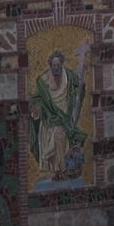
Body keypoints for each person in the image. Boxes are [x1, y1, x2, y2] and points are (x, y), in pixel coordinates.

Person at [29, 43, 88, 182]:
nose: (56, 68)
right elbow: (36, 99)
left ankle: (62, 169)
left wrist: (81, 81)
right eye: (53, 65)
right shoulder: (43, 81)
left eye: (58, 65)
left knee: (60, 135)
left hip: (66, 116)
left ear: (62, 65)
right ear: (50, 65)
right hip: (50, 117)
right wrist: (37, 108)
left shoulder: (69, 76)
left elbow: (79, 86)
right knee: (57, 135)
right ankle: (60, 170)